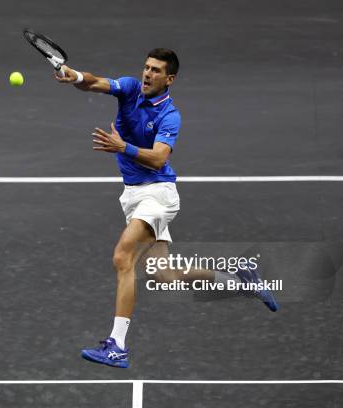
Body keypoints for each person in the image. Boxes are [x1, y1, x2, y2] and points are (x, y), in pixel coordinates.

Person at [55, 48, 277, 368]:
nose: (147, 74)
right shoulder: (130, 88)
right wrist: (73, 76)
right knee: (163, 275)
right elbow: (94, 83)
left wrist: (122, 147)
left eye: (155, 70)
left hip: (158, 195)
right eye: (146, 67)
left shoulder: (170, 115)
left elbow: (159, 158)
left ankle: (117, 345)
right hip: (133, 196)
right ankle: (241, 277)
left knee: (122, 257)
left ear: (168, 78)